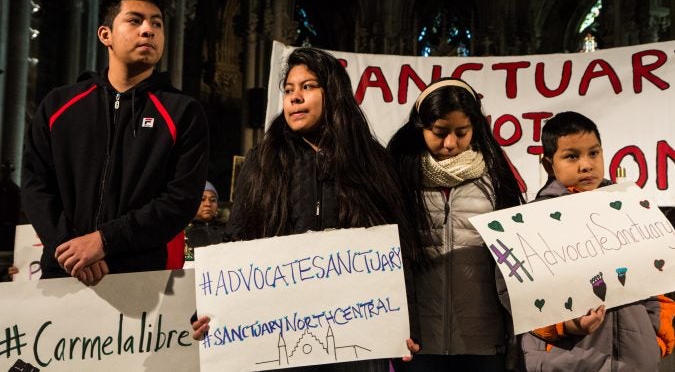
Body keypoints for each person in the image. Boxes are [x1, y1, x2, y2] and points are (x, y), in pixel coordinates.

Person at [192, 47, 419, 371]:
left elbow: (398, 252)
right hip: (279, 339)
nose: (295, 98)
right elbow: (237, 240)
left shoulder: (371, 161)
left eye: (307, 87)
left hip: (354, 340)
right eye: (288, 90)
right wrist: (207, 308)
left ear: (334, 92)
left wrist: (405, 324)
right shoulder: (263, 162)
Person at [21, 0, 209, 286]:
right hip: (63, 275)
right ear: (105, 34)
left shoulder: (182, 112)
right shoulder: (59, 105)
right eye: (135, 21)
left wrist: (104, 241)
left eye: (157, 24)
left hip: (143, 281)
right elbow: (35, 185)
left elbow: (180, 200)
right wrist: (70, 248)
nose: (148, 30)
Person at [511, 111, 675, 371]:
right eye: (572, 156)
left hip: (635, 360)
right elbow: (521, 301)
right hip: (566, 361)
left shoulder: (631, 211)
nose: (586, 165)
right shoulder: (531, 222)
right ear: (548, 165)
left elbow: (658, 286)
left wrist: (657, 339)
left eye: (594, 153)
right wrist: (567, 325)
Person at [387, 78, 525, 372]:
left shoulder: (497, 179)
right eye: (439, 132)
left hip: (484, 341)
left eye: (462, 132)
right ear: (420, 127)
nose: (450, 143)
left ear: (476, 128)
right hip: (418, 343)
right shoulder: (397, 176)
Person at [184, 181, 225, 262]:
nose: (208, 204)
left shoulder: (227, 229)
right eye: (202, 199)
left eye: (213, 200)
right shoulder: (183, 233)